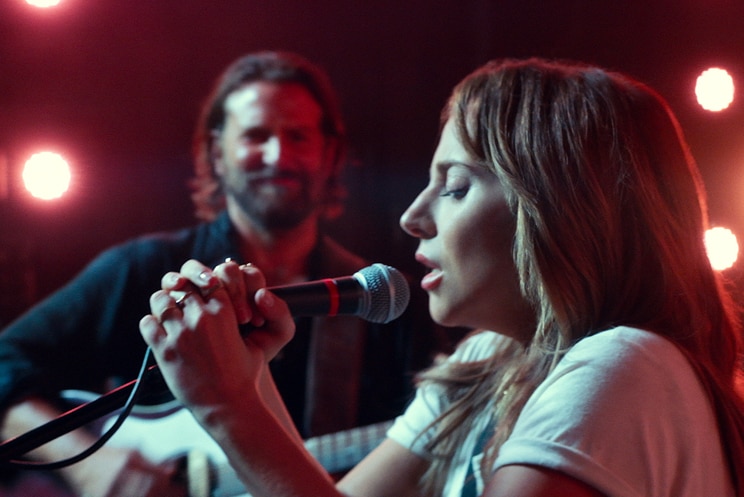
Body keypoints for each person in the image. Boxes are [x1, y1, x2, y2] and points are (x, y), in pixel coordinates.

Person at [139, 57, 744, 497]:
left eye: (455, 186)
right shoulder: (485, 365)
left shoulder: (622, 367)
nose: (412, 217)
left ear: (561, 209)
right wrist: (250, 383)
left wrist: (227, 410)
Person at [0, 51, 440, 497]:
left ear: (331, 155)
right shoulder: (142, 269)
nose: (277, 155)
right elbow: (4, 363)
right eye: (255, 135)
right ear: (217, 152)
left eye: (298, 136)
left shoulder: (376, 300)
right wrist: (92, 465)